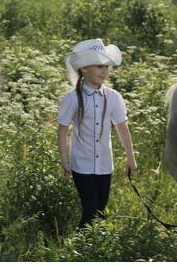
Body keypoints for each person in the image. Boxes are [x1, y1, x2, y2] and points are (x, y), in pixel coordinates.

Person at [57, 38, 137, 229]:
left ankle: (90, 251)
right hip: (81, 164)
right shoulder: (72, 98)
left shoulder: (113, 97)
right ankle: (77, 251)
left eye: (107, 67)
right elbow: (63, 131)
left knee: (100, 212)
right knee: (90, 211)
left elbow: (122, 127)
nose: (105, 71)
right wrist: (64, 161)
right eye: (100, 66)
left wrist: (130, 158)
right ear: (84, 68)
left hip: (104, 164)